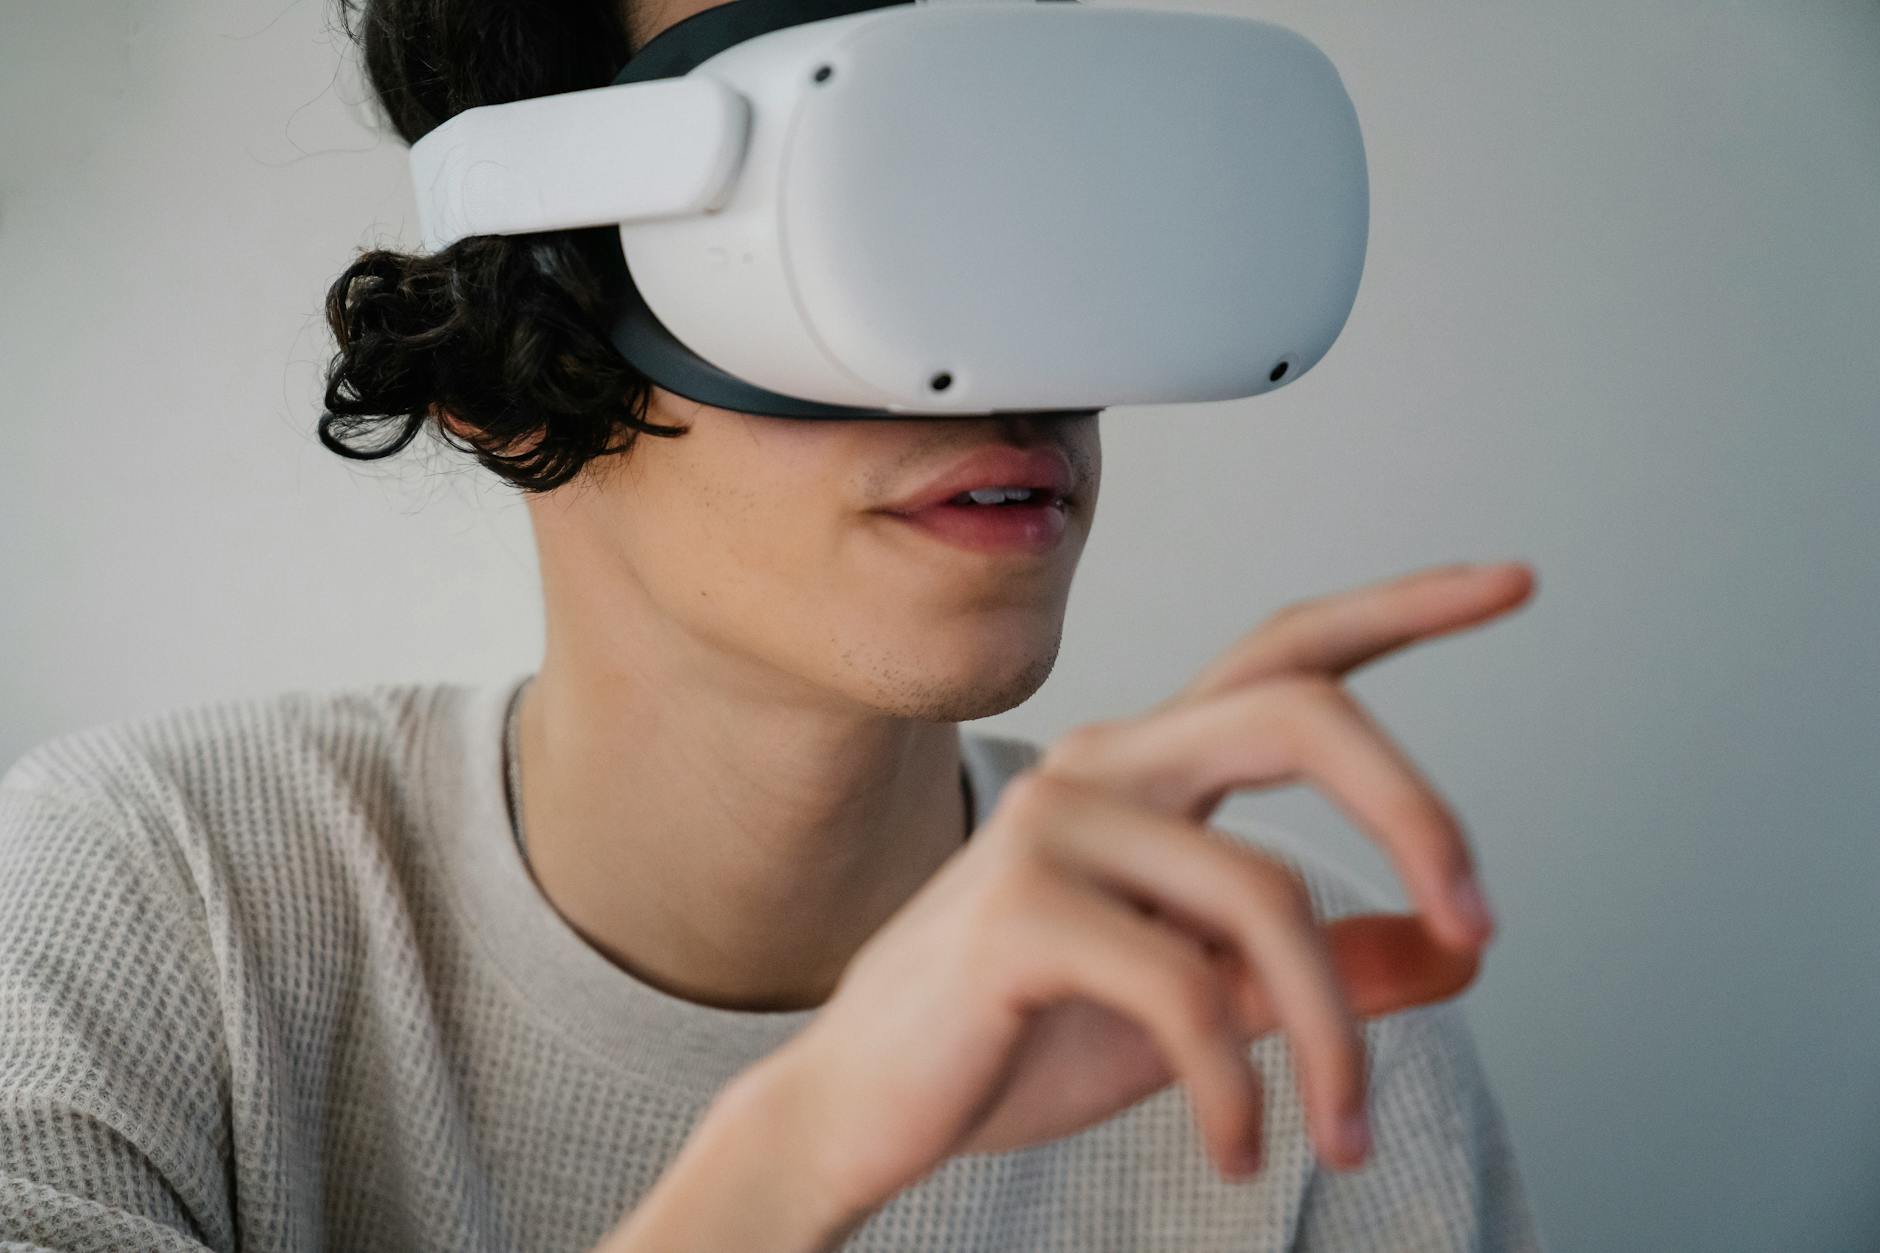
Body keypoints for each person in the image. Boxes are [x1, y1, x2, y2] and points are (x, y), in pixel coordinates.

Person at [0, 1, 1547, 1249]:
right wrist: (802, 1150)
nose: (1005, 363)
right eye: (849, 212)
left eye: (1043, 205)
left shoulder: (1281, 1009)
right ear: (498, 367)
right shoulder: (144, 915)